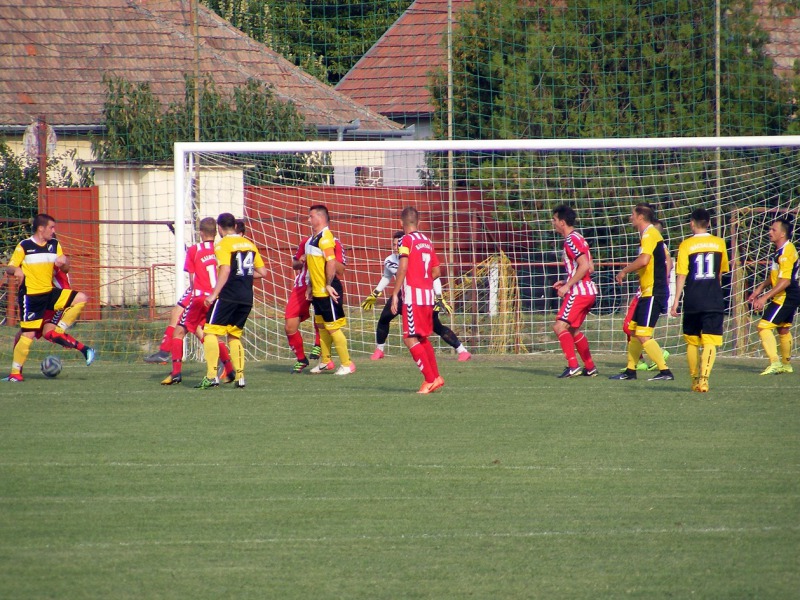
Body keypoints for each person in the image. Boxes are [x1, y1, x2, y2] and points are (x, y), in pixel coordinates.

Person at [4, 214, 94, 382]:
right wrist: (16, 270)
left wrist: (64, 262)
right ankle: (15, 374)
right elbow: (10, 267)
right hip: (31, 297)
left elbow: (65, 269)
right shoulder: (25, 246)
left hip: (50, 293)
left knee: (81, 298)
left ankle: (61, 329)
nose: (54, 231)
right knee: (27, 335)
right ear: (41, 228)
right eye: (51, 227)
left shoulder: (55, 245)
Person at [362, 231, 471, 362]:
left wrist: (439, 296)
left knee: (435, 326)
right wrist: (376, 292)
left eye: (398, 244)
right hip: (401, 295)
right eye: (393, 245)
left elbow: (434, 276)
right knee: (384, 319)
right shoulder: (389, 260)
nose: (395, 247)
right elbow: (387, 276)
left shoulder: (414, 258)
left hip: (419, 296)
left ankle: (462, 351)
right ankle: (379, 350)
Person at [195, 213, 267, 389]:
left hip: (228, 295)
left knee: (210, 332)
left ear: (219, 228)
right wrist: (244, 278)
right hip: (246, 297)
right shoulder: (249, 244)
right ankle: (240, 377)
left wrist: (213, 295)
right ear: (235, 225)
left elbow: (225, 270)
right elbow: (263, 272)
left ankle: (212, 376)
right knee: (234, 335)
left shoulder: (223, 244)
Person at [161, 217, 236, 385]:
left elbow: (193, 280)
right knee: (207, 334)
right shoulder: (220, 249)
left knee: (179, 332)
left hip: (199, 298)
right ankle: (230, 368)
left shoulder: (194, 250)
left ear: (201, 233)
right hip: (217, 299)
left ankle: (176, 373)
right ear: (216, 233)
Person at [610, 203, 674, 381]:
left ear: (640, 217)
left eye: (632, 214)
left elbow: (644, 260)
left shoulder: (649, 233)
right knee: (633, 330)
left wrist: (624, 271)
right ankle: (630, 371)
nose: (630, 217)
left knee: (644, 334)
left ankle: (665, 371)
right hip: (647, 291)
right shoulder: (650, 234)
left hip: (653, 291)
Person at [669, 208, 730, 392]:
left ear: (692, 223)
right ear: (709, 223)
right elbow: (720, 272)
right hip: (713, 299)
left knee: (692, 341)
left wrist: (676, 301)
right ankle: (704, 379)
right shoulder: (719, 243)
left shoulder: (685, 245)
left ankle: (695, 379)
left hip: (693, 299)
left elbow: (681, 275)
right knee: (710, 340)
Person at [390, 207, 445, 394]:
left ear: (401, 223)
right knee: (421, 337)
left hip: (413, 296)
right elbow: (437, 271)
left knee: (410, 338)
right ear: (418, 222)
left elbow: (403, 267)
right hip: (428, 296)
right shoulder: (427, 241)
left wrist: (395, 293)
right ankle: (436, 377)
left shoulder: (405, 240)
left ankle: (429, 380)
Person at [285, 233, 346, 374]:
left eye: (312, 217)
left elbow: (341, 269)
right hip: (302, 286)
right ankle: (301, 359)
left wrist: (323, 255)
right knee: (289, 326)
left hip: (322, 284)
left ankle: (324, 351)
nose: (309, 220)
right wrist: (303, 259)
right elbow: (295, 264)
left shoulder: (334, 242)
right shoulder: (306, 241)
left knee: (326, 322)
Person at [306, 205, 355, 376]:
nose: (308, 219)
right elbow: (313, 266)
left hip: (328, 290)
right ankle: (326, 361)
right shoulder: (312, 238)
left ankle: (347, 364)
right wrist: (310, 286)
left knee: (333, 328)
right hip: (318, 291)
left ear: (319, 218)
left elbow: (331, 263)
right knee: (321, 327)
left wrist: (327, 284)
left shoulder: (326, 238)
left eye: (311, 216)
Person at [550, 205, 598, 378]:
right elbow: (590, 267)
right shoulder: (579, 238)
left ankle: (573, 366)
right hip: (588, 291)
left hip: (579, 293)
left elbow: (584, 265)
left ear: (562, 222)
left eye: (554, 220)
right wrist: (567, 279)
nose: (553, 223)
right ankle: (590, 367)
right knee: (573, 330)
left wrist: (568, 285)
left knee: (559, 326)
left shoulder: (571, 240)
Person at [747, 215, 799, 375]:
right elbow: (775, 277)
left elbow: (785, 281)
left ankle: (775, 362)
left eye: (773, 229)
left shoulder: (786, 252)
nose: (769, 232)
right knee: (783, 329)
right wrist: (758, 290)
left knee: (763, 326)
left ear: (782, 234)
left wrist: (764, 298)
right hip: (787, 293)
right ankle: (786, 364)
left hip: (787, 294)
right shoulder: (780, 251)